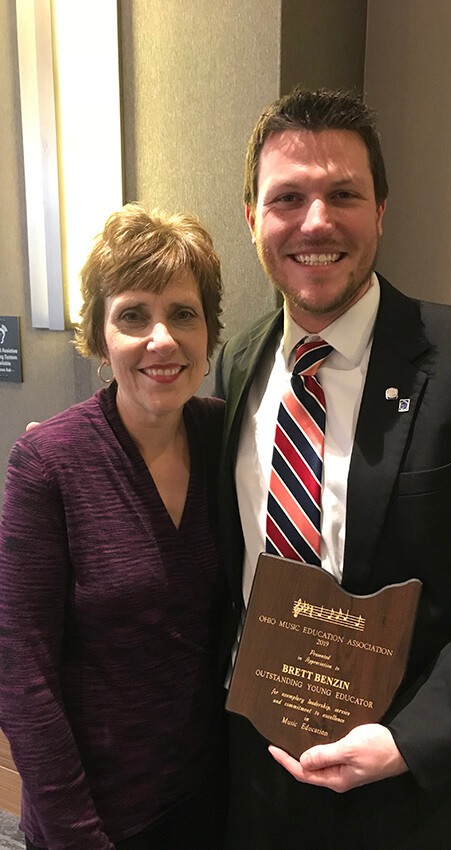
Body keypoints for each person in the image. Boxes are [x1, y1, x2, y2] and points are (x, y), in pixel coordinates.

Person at [215, 88, 451, 849]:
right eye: (287, 198)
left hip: (424, 795)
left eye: (343, 194)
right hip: (262, 779)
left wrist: (410, 740)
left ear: (381, 211)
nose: (315, 222)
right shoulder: (236, 364)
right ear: (251, 219)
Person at [0, 205, 229, 849]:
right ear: (100, 338)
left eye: (183, 314)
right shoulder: (47, 462)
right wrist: (78, 836)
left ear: (209, 332)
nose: (162, 339)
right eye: (133, 316)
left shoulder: (224, 435)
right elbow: (21, 671)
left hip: (212, 796)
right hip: (96, 818)